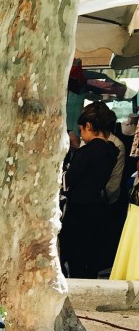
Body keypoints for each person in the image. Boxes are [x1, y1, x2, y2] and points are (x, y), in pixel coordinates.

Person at [60, 103, 120, 279]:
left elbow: (68, 180)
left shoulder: (87, 152)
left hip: (78, 211)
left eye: (81, 129)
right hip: (97, 208)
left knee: (76, 258)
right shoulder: (112, 151)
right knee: (91, 257)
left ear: (89, 126)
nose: (80, 134)